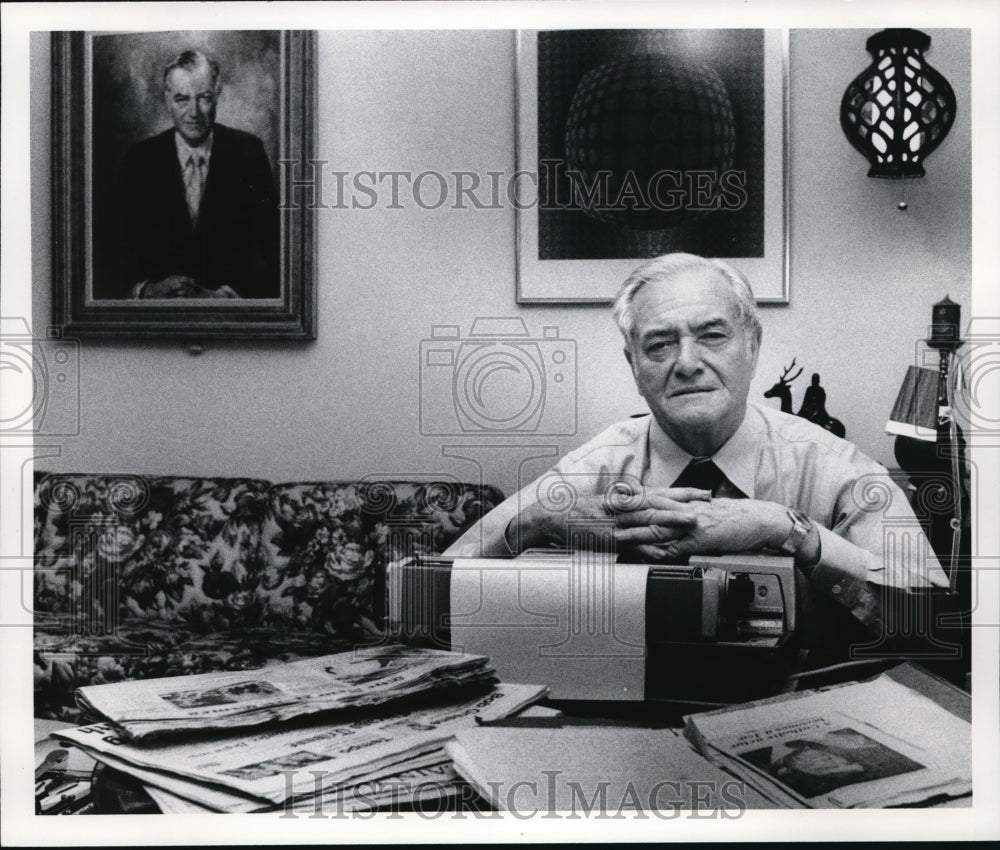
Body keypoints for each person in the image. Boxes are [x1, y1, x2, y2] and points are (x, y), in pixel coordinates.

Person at [444, 253, 948, 648]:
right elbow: (426, 599)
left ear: (751, 345)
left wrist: (788, 531)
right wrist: (535, 524)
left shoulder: (839, 469)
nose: (687, 363)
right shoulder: (591, 469)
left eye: (712, 336)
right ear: (633, 365)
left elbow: (926, 627)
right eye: (659, 344)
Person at [118, 49, 279, 299]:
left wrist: (222, 297)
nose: (194, 112)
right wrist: (148, 290)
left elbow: (271, 252)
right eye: (182, 99)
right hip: (156, 323)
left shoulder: (249, 154)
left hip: (232, 323)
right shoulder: (138, 161)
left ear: (217, 95)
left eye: (203, 98)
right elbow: (114, 254)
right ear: (166, 100)